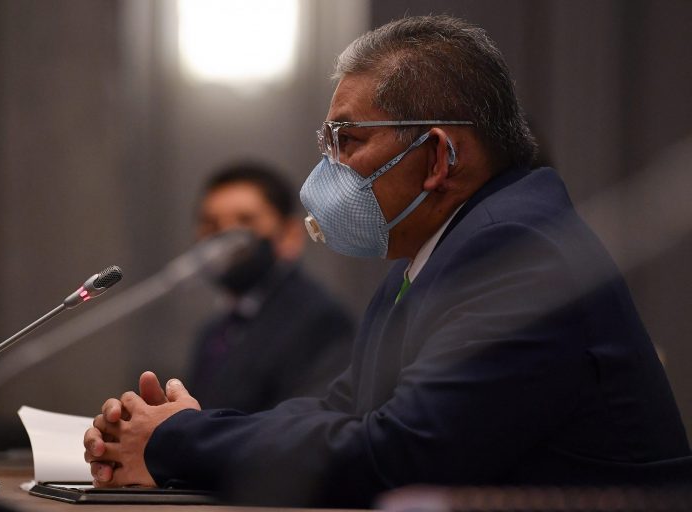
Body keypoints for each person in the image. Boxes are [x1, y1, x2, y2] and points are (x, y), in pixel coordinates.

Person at [84, 15, 690, 507]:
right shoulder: (434, 253)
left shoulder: (514, 250)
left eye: (347, 141)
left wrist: (180, 441)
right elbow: (340, 410)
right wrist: (185, 428)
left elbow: (397, 453)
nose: (328, 169)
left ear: (439, 158)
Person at [185, 162, 354, 412]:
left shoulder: (320, 321)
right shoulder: (214, 331)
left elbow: (303, 428)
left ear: (290, 236)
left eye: (245, 222)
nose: (225, 240)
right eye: (211, 225)